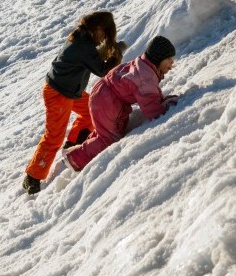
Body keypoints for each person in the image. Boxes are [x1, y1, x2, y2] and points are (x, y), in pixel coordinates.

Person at [23, 11, 126, 194]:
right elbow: (102, 70)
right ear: (98, 28)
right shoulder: (84, 45)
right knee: (54, 136)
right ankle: (32, 177)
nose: (104, 38)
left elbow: (92, 59)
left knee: (90, 111)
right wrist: (117, 54)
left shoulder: (81, 37)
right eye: (105, 33)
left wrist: (112, 51)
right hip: (59, 93)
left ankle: (73, 145)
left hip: (68, 91)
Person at [64, 36, 179, 172]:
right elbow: (152, 109)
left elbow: (151, 93)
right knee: (109, 138)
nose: (172, 63)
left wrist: (163, 100)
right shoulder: (145, 76)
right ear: (158, 58)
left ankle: (82, 150)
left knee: (106, 131)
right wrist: (166, 106)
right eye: (169, 59)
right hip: (107, 101)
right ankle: (74, 159)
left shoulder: (144, 66)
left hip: (104, 96)